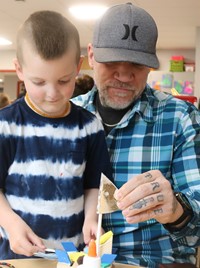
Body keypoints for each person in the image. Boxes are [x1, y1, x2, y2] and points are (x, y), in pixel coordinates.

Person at [72, 3, 200, 268]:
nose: (124, 75)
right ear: (92, 56)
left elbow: (195, 231)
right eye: (112, 62)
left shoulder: (181, 119)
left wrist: (177, 211)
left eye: (137, 64)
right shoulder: (66, 118)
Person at [0, 10, 112, 259]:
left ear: (78, 67)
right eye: (39, 82)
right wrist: (10, 223)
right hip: (15, 254)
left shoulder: (90, 126)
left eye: (63, 80)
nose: (52, 93)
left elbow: (94, 183)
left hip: (70, 255)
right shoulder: (5, 125)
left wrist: (92, 218)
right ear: (18, 69)